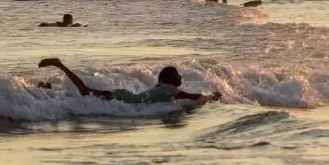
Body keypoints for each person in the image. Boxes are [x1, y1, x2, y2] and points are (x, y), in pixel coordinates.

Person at [37, 58, 220, 107]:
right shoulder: (170, 90)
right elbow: (194, 96)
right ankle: (59, 65)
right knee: (85, 92)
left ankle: (49, 89)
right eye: (177, 75)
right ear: (170, 80)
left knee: (85, 96)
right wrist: (213, 97)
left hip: (124, 97)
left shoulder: (163, 89)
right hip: (125, 99)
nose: (181, 78)